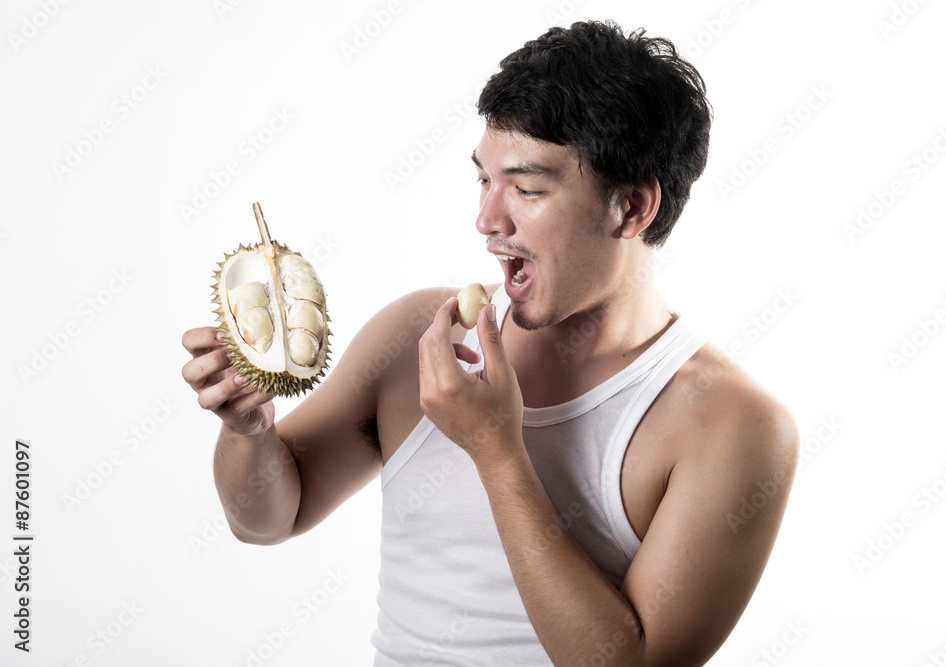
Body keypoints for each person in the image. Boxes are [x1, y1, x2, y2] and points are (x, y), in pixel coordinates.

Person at [182, 20, 799, 666]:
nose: (486, 220)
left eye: (527, 189)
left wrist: (497, 450)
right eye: (484, 180)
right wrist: (248, 430)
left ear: (633, 208)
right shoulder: (418, 338)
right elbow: (266, 519)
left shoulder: (735, 426)